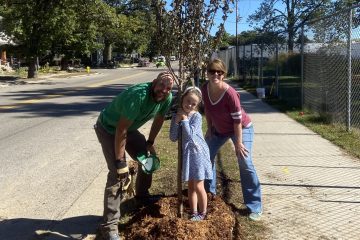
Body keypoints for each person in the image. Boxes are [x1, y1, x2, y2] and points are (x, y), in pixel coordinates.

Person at [94, 71, 174, 240]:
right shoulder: (137, 96)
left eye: (168, 88)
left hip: (127, 129)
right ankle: (109, 227)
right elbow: (120, 130)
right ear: (154, 83)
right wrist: (120, 161)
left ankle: (142, 196)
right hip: (109, 129)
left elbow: (159, 119)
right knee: (118, 174)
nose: (164, 90)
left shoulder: (167, 97)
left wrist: (150, 143)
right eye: (161, 85)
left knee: (148, 161)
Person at [200, 58, 263, 221]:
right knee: (206, 157)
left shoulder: (230, 93)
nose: (215, 74)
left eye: (219, 72)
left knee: (245, 161)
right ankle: (210, 195)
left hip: (241, 129)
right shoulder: (204, 89)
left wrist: (238, 143)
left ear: (224, 74)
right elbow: (207, 109)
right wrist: (209, 128)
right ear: (207, 73)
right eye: (212, 71)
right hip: (219, 130)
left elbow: (237, 121)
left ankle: (255, 206)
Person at [169, 86, 213, 221]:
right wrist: (177, 121)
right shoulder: (177, 116)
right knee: (190, 185)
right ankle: (194, 212)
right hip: (187, 154)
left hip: (198, 153)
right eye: (188, 101)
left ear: (197, 105)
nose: (189, 105)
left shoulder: (197, 117)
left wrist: (185, 120)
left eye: (193, 104)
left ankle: (203, 212)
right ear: (182, 99)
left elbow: (190, 136)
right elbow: (173, 137)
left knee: (199, 185)